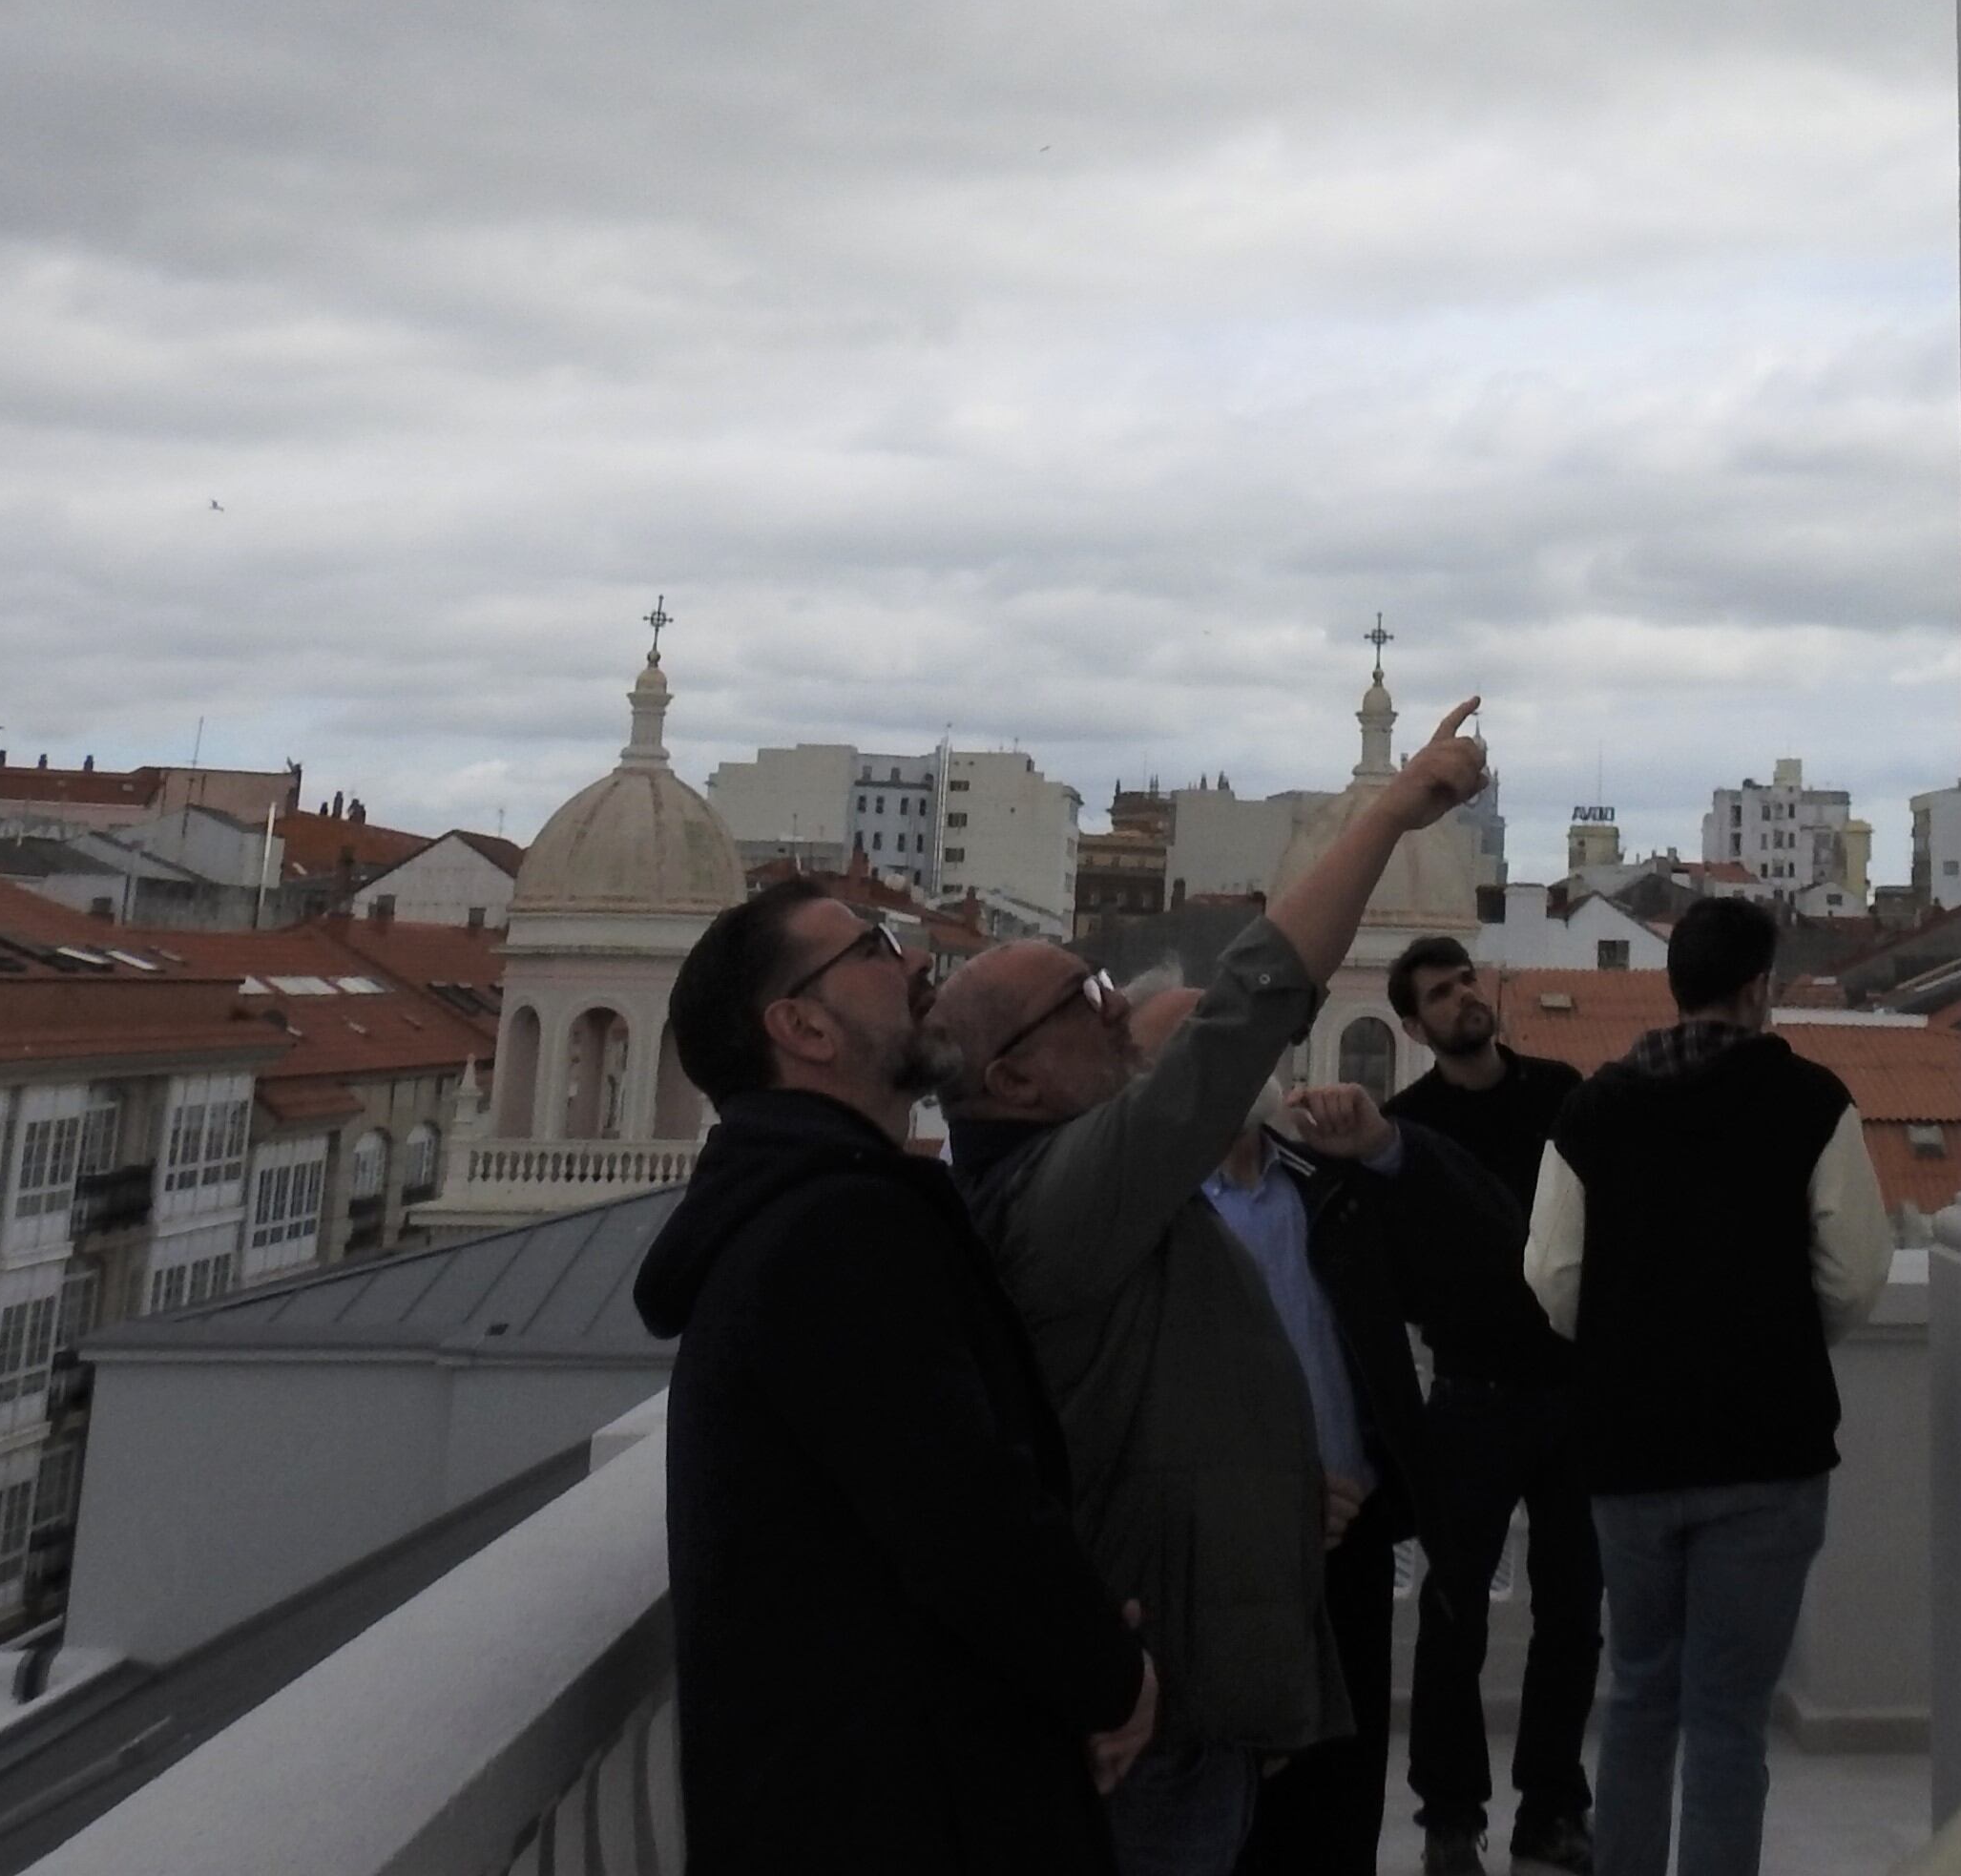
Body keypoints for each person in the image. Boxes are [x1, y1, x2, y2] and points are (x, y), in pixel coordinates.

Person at [930, 694, 1492, 1876]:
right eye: (1084, 1004)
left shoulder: (1088, 1193)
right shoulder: (1059, 1201)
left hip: (1208, 1692)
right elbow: (1248, 1008)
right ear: (1015, 1076)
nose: (1115, 1018)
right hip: (1160, 1712)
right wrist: (1392, 812)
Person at [633, 880, 1158, 1873]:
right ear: (803, 1027)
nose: (920, 965)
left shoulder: (813, 1214)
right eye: (876, 949)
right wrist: (1110, 1674)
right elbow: (963, 1509)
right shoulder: (834, 1231)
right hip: (903, 1818)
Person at [1529, 896, 1892, 1876]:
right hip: (1767, 1451)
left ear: (1674, 985)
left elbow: (1555, 1278)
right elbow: (1856, 1273)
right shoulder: (1812, 1100)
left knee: (1640, 1697)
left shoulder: (1594, 1107)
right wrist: (1766, 1334)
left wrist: (1632, 1336)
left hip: (1629, 1450)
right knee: (1730, 1719)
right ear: (1757, 988)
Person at [1212, 1068, 1527, 1876]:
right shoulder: (1146, 1212)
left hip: (1350, 1544)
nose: (1226, 1049)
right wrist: (1268, 1500)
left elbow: (1494, 1248)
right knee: (1237, 1818)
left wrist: (1388, 1147)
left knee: (1342, 1807)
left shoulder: (1324, 1182)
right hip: (1220, 1564)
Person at [1381, 934, 1598, 1876]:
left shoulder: (1563, 1094)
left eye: (1466, 980)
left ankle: (1551, 1811)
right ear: (1414, 1025)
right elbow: (1388, 1274)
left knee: (1572, 1613)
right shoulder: (1405, 1126)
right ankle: (1448, 1817)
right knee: (1453, 1614)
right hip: (1467, 1399)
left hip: (1572, 1394)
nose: (1463, 998)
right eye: (1440, 992)